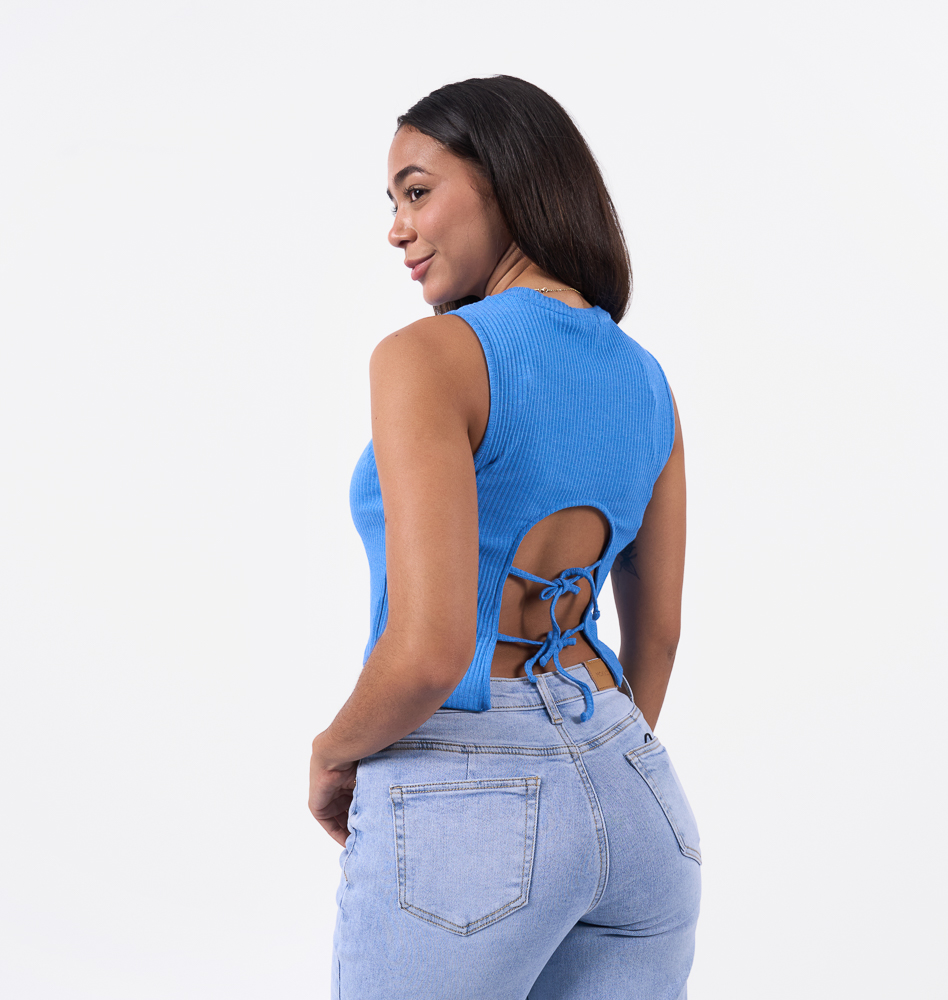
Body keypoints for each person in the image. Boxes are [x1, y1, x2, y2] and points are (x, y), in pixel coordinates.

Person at [308, 75, 701, 1000]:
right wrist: (584, 770)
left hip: (462, 793)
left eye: (417, 191)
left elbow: (431, 651)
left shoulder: (428, 357)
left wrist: (333, 752)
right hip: (636, 796)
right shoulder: (648, 381)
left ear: (510, 180)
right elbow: (658, 635)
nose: (397, 229)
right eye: (392, 203)